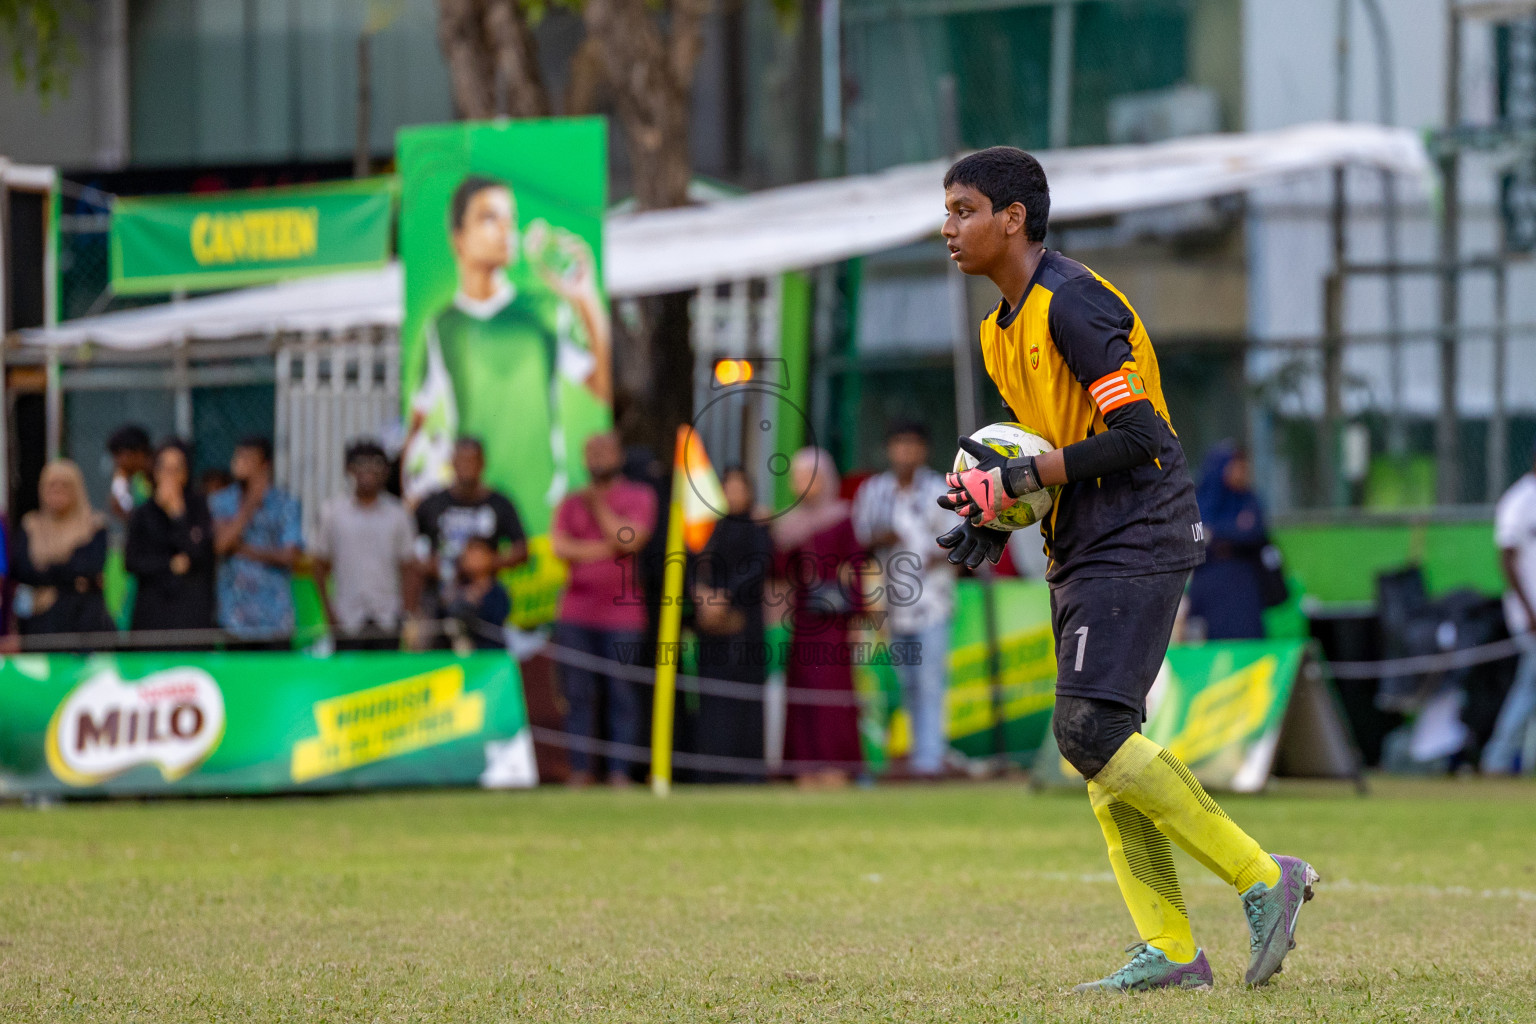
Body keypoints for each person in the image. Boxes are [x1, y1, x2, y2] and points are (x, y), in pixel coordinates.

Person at [937, 147, 1315, 993]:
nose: (948, 227)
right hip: (1082, 544)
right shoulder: (1001, 330)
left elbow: (1142, 436)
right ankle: (1173, 950)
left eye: (964, 209)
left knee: (1090, 731)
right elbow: (1044, 446)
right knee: (1099, 739)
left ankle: (1263, 877)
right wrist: (999, 517)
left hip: (1140, 530)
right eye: (947, 211)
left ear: (1014, 218)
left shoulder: (1075, 304)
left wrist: (1024, 479)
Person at [403, 174, 612, 523]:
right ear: (459, 239)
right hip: (473, 512)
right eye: (489, 218)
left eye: (509, 218)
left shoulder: (544, 309)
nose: (505, 230)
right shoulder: (442, 325)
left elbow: (603, 389)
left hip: (546, 507)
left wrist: (586, 298)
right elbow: (417, 427)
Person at [550, 432, 657, 787]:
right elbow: (559, 546)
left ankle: (619, 773)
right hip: (575, 613)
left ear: (619, 455)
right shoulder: (569, 502)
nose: (597, 457)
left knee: (622, 694)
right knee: (578, 694)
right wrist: (605, 549)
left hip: (622, 616)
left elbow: (630, 539)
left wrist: (598, 508)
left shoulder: (639, 496)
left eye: (604, 450)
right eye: (590, 451)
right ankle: (581, 771)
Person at [852, 420, 957, 779]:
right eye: (899, 444)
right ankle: (898, 757)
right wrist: (886, 536)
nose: (906, 452)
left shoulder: (940, 488)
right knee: (899, 684)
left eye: (913, 445)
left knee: (929, 682)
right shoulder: (873, 491)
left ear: (923, 450)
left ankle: (927, 763)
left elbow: (962, 541)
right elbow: (859, 542)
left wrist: (934, 554)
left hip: (932, 601)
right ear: (889, 449)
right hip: (887, 603)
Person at [772, 447, 868, 789]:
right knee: (802, 688)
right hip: (804, 619)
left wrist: (857, 618)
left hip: (835, 620)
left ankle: (837, 767)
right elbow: (781, 571)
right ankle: (805, 766)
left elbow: (855, 567)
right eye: (798, 477)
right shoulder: (789, 523)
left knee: (833, 691)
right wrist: (781, 538)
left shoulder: (841, 516)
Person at [692, 466, 774, 782]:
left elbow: (758, 565)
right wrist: (702, 596)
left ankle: (747, 774)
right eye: (727, 488)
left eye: (740, 487)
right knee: (714, 700)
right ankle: (712, 770)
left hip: (745, 627)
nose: (733, 494)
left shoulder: (758, 526)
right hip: (711, 629)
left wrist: (726, 596)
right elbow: (691, 564)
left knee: (745, 700)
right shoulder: (708, 528)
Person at [310, 440, 419, 651]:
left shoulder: (398, 514)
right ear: (348, 469)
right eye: (361, 464)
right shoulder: (332, 513)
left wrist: (406, 613)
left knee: (388, 680)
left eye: (375, 465)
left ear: (386, 471)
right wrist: (329, 614)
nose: (368, 471)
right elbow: (319, 565)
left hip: (387, 617)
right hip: (347, 618)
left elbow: (409, 567)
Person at [415, 437, 527, 623]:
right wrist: (435, 566)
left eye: (472, 460)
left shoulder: (500, 503)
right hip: (439, 598)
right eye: (461, 460)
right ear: (452, 462)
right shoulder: (432, 503)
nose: (467, 466)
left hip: (485, 598)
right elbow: (408, 547)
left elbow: (522, 549)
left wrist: (489, 563)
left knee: (488, 647)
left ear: (483, 463)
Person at [210, 436, 302, 647]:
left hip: (275, 618)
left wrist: (243, 549)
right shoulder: (220, 501)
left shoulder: (285, 503)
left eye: (249, 458)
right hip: (234, 619)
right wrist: (250, 503)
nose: (240, 463)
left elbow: (291, 556)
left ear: (265, 465)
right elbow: (221, 545)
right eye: (238, 457)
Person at [124, 439, 216, 644]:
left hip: (190, 615)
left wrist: (177, 514)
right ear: (155, 472)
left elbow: (200, 554)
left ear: (186, 473)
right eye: (164, 468)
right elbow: (132, 561)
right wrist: (170, 565)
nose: (169, 476)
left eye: (176, 469)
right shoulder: (143, 513)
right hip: (152, 615)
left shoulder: (198, 508)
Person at [11, 460, 114, 640]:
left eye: (64, 485)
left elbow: (91, 565)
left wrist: (48, 567)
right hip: (42, 623)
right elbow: (23, 570)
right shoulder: (32, 525)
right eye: (51, 485)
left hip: (84, 622)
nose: (57, 490)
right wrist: (70, 571)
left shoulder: (94, 525)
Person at [1182, 444, 1273, 641]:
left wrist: (1214, 534)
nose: (1242, 472)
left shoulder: (1249, 499)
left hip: (1244, 586)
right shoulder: (1200, 500)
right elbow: (1195, 535)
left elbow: (1255, 533)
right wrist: (1234, 530)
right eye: (1236, 466)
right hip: (1208, 585)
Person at [1482, 443, 1536, 775]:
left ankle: (1515, 759)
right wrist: (1528, 610)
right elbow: (1506, 557)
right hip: (1530, 614)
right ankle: (1498, 759)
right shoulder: (1519, 500)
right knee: (1528, 686)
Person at [445, 536, 513, 652]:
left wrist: (479, 602)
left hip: (492, 652)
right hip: (465, 652)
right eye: (469, 552)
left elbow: (497, 618)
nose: (474, 558)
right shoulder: (457, 589)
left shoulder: (498, 591)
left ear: (491, 556)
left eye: (479, 552)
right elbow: (450, 617)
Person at [106, 425, 152, 524]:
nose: (117, 462)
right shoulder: (138, 480)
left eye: (119, 455)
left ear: (138, 453)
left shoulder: (158, 478)